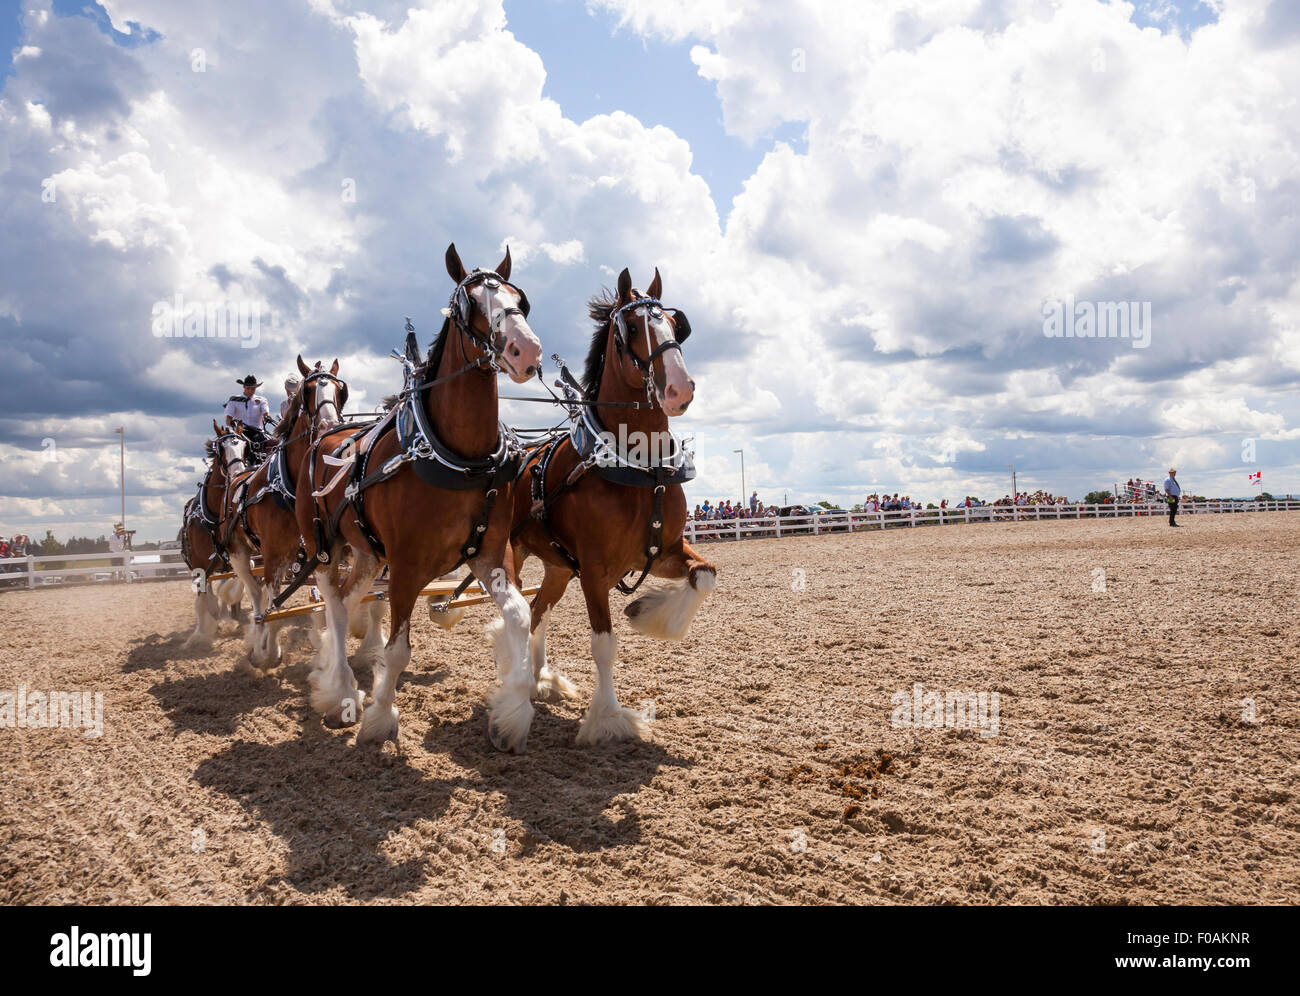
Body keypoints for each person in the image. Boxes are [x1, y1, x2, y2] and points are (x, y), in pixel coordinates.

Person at [225, 374, 271, 459]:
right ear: (244, 386)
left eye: (253, 389)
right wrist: (232, 423)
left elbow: (266, 414)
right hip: (240, 432)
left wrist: (267, 417)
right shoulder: (234, 400)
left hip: (257, 432)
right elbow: (228, 419)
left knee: (260, 441)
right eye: (248, 388)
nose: (250, 391)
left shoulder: (261, 400)